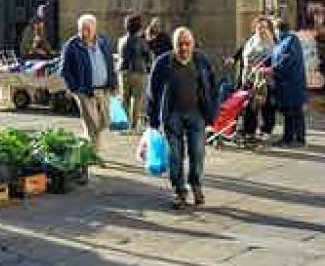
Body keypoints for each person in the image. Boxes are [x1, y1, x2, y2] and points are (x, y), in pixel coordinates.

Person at [145, 27, 218, 209]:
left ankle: (196, 184)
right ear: (174, 45)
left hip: (196, 114)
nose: (184, 48)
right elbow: (152, 93)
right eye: (180, 44)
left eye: (187, 44)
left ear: (193, 44)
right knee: (175, 155)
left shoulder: (201, 60)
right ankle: (179, 190)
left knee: (197, 153)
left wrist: (212, 113)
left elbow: (213, 87)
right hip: (172, 115)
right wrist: (152, 119)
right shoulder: (163, 63)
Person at [60, 14, 119, 156]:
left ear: (94, 29)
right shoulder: (72, 45)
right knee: (93, 124)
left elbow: (109, 63)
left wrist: (114, 82)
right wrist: (75, 89)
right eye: (82, 29)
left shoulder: (103, 42)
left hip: (103, 89)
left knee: (104, 122)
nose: (84, 33)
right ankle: (95, 155)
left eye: (87, 29)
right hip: (85, 91)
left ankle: (83, 142)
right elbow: (64, 70)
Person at [264, 19, 308, 148]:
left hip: (292, 84)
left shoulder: (290, 41)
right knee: (289, 112)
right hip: (285, 84)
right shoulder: (282, 41)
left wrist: (272, 69)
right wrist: (265, 65)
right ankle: (288, 137)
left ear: (279, 29)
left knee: (294, 112)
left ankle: (297, 139)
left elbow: (286, 60)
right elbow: (273, 57)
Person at [236, 16, 277, 141]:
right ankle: (249, 130)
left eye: (264, 27)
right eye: (259, 27)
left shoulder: (273, 43)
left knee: (267, 106)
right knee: (249, 106)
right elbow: (242, 51)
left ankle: (266, 129)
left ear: (269, 28)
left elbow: (275, 60)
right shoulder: (252, 40)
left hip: (265, 80)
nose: (261, 29)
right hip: (249, 78)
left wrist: (264, 69)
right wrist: (234, 58)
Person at [117, 14, 152, 131]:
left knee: (124, 98)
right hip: (138, 71)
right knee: (137, 99)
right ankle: (133, 124)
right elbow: (148, 56)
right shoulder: (141, 41)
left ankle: (125, 122)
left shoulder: (121, 40)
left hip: (123, 71)